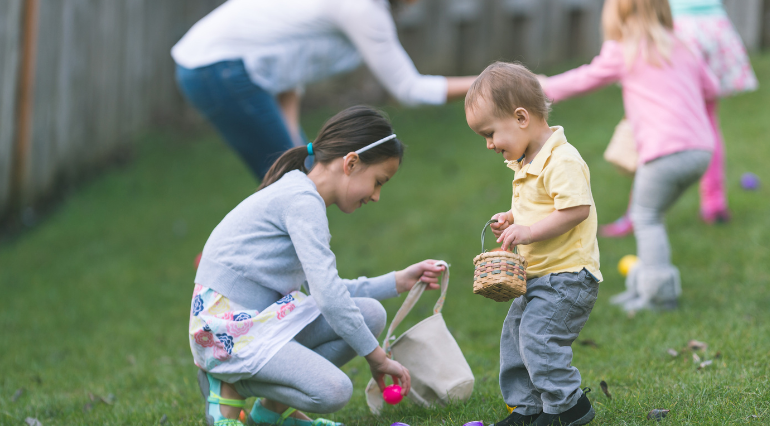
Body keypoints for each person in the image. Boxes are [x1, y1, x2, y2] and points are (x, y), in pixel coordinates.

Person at [188, 106, 447, 426]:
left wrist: (397, 281)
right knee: (333, 391)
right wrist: (377, 359)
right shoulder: (301, 201)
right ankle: (228, 383)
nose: (377, 196)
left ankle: (270, 413)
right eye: (378, 181)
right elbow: (328, 297)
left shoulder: (301, 194)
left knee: (370, 314)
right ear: (351, 163)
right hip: (225, 332)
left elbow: (328, 291)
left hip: (260, 322)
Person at [540, 0, 718, 311]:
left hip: (664, 153)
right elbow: (712, 87)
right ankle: (643, 286)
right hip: (701, 150)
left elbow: (584, 78)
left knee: (646, 218)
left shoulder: (625, 49)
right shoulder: (682, 46)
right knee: (651, 214)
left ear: (616, 16)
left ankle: (659, 296)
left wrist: (542, 87)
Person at [172, 0, 477, 180]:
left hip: (211, 67)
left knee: (297, 177)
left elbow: (289, 66)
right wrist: (495, 82)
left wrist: (290, 135)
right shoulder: (361, 9)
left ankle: (235, 274)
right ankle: (231, 277)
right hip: (215, 68)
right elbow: (410, 89)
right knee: (294, 186)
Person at [465, 62, 602, 426]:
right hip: (538, 277)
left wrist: (528, 232)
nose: (489, 144)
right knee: (515, 339)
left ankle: (568, 408)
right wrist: (513, 218)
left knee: (539, 340)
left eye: (491, 133)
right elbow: (537, 205)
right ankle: (527, 408)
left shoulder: (562, 159)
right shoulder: (527, 162)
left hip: (568, 276)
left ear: (521, 117)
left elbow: (574, 210)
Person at [599, 0, 758, 237]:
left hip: (674, 23)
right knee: (707, 121)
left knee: (654, 116)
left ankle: (637, 212)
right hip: (713, 25)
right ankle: (714, 206)